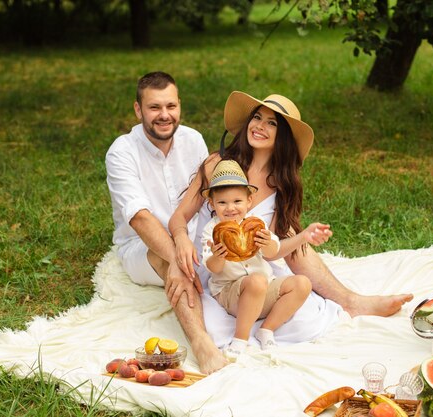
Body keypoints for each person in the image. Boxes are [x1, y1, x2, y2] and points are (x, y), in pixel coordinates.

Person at [168, 91, 413, 323]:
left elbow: (274, 249)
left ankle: (349, 301)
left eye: (272, 123)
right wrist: (181, 240)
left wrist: (305, 235)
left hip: (256, 269)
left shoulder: (281, 184)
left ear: (283, 135)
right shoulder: (219, 165)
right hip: (216, 268)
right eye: (257, 117)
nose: (260, 126)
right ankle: (349, 301)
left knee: (304, 311)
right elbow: (179, 218)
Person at [105, 71, 227, 374]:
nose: (164, 115)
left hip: (192, 236)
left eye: (171, 106)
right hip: (141, 248)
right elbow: (141, 219)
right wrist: (177, 259)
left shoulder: (193, 139)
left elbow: (204, 198)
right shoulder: (121, 151)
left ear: (179, 106)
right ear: (138, 110)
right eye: (154, 107)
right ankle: (201, 342)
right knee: (165, 258)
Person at [201, 159, 332, 360]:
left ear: (249, 201)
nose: (231, 208)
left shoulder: (256, 224)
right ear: (212, 204)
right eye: (222, 202)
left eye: (237, 201)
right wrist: (219, 256)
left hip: (264, 289)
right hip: (231, 293)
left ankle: (267, 329)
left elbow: (273, 252)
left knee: (302, 283)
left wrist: (266, 243)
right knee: (256, 279)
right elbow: (213, 267)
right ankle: (240, 339)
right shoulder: (213, 231)